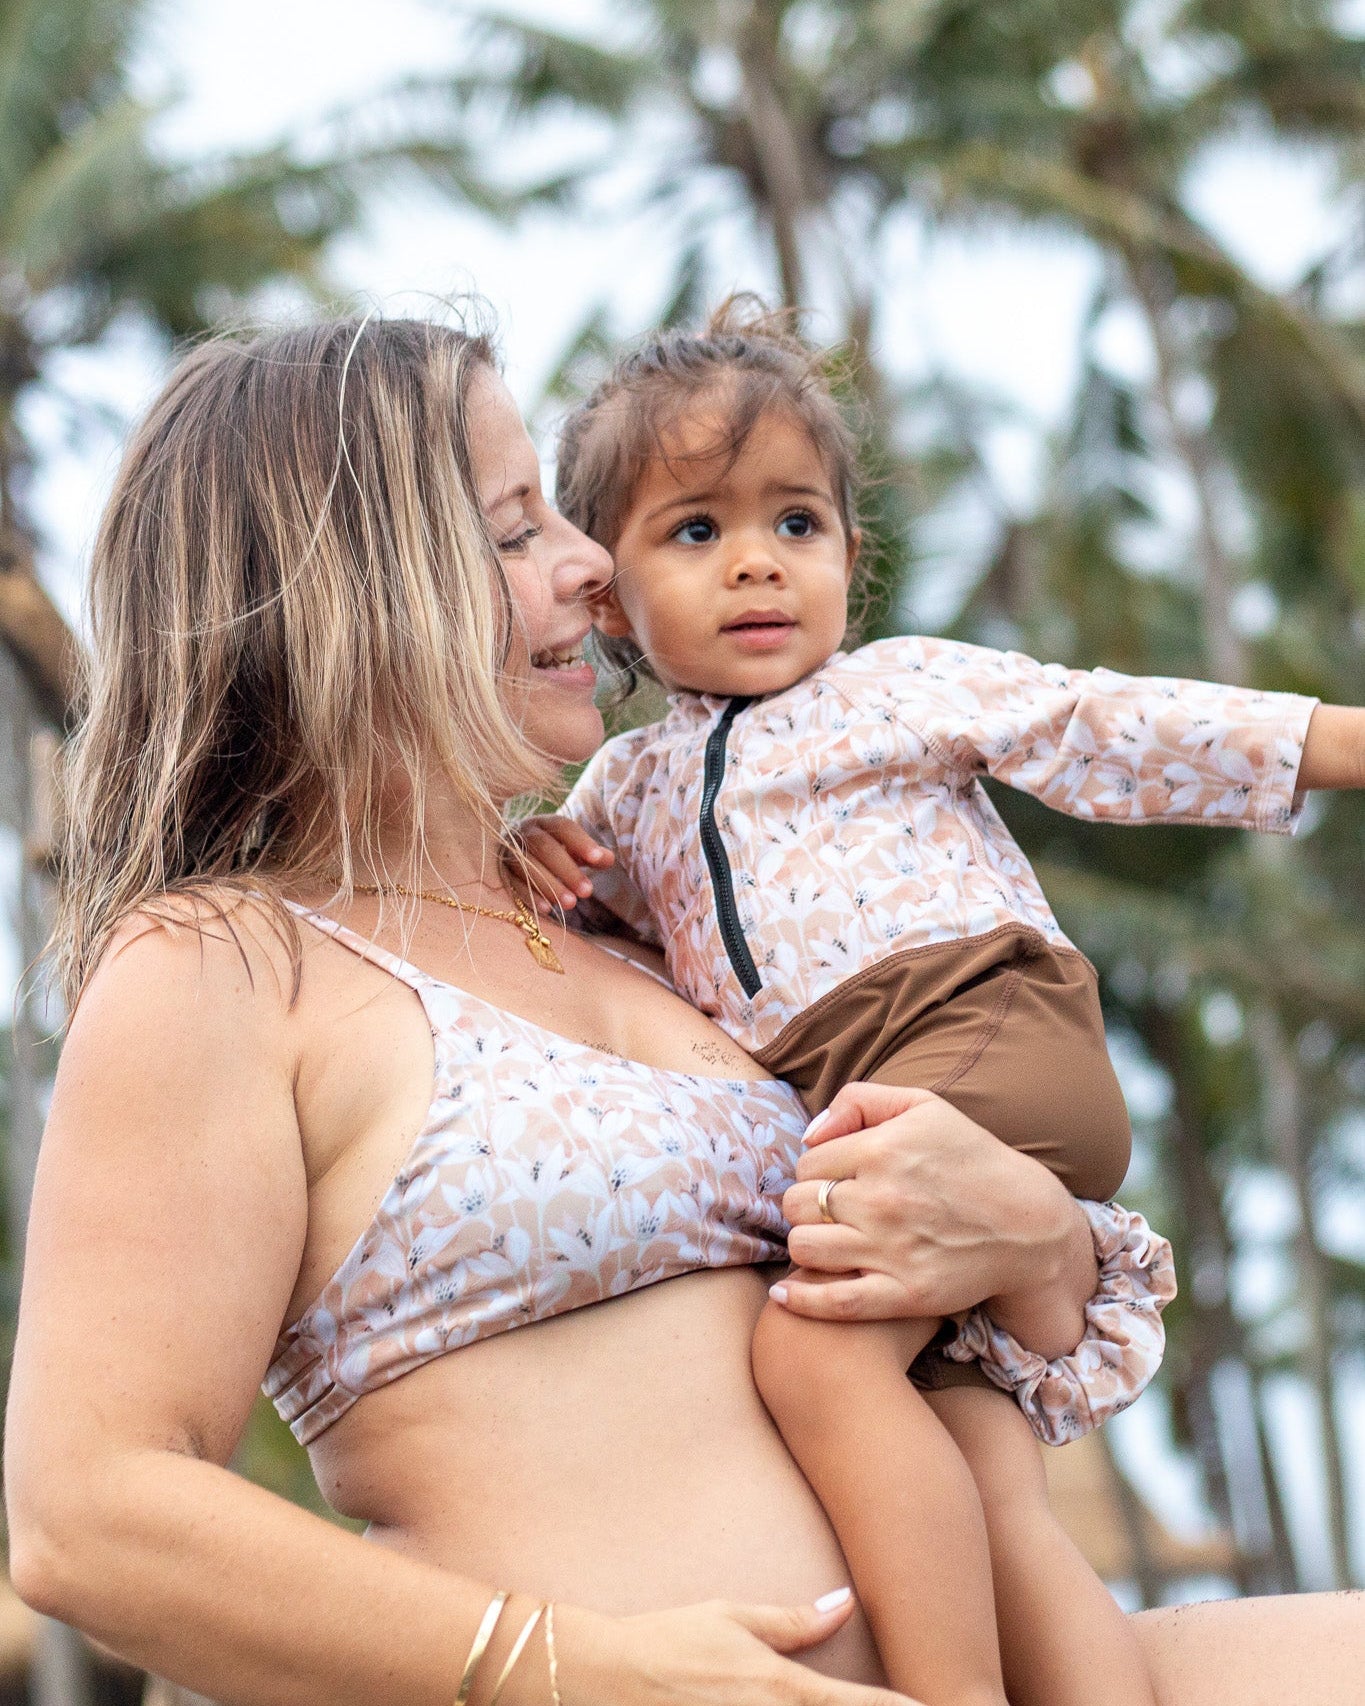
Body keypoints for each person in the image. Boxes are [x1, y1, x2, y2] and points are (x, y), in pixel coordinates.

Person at [1, 311, 1359, 1706]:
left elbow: (978, 1336)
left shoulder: (651, 933)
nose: (591, 565)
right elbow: (88, 1514)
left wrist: (1024, 1234)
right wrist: (579, 1667)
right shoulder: (224, 962)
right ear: (355, 579)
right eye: (518, 528)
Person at [514, 300, 1365, 1706]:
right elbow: (571, 923)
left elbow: (1108, 727)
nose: (756, 566)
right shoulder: (624, 788)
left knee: (812, 1355)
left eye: (796, 524)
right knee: (983, 1466)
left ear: (851, 553)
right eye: (695, 532)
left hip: (973, 1030)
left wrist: (1335, 741)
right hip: (861, 1098)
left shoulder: (895, 692)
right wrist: (529, 856)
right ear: (607, 599)